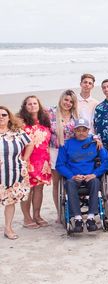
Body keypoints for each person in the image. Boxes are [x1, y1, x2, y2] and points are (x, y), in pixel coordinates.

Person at [56, 119, 108, 233]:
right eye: (78, 130)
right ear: (74, 130)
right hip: (74, 177)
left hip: (90, 175)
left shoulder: (95, 143)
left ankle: (91, 217)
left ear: (88, 130)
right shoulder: (66, 144)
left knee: (96, 182)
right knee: (69, 184)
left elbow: (106, 162)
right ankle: (78, 218)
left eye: (84, 130)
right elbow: (59, 165)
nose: (81, 132)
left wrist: (94, 174)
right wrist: (72, 176)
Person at [18, 96, 52, 229]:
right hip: (27, 160)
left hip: (43, 161)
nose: (32, 106)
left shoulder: (45, 120)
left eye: (34, 103)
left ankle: (37, 215)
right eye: (29, 104)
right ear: (25, 107)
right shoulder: (21, 123)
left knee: (39, 188)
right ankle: (27, 218)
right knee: (28, 190)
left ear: (39, 105)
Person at [0, 106, 34, 239]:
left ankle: (8, 228)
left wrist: (24, 159)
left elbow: (29, 144)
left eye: (4, 114)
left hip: (14, 172)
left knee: (10, 201)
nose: (1, 117)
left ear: (9, 117)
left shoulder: (17, 132)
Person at [49, 89, 79, 221]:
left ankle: (72, 209)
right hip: (55, 151)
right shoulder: (50, 113)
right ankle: (59, 213)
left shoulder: (75, 116)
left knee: (70, 180)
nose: (68, 103)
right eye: (66, 100)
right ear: (61, 99)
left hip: (71, 152)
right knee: (56, 183)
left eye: (71, 101)